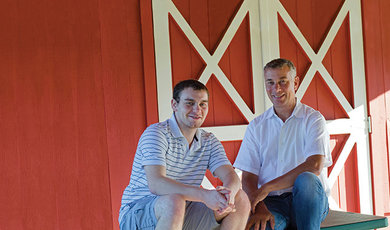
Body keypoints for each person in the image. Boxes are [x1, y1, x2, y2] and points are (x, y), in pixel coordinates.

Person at [119, 79, 250, 230]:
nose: (197, 110)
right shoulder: (156, 133)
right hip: (139, 213)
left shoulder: (208, 141)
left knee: (241, 199)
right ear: (174, 105)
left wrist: (228, 196)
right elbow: (156, 184)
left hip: (181, 210)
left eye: (202, 104)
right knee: (174, 201)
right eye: (190, 103)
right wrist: (204, 195)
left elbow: (231, 176)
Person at [233, 58, 332, 230]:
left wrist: (266, 187)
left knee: (307, 179)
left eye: (282, 82)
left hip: (308, 201)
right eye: (270, 82)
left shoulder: (313, 119)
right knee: (260, 227)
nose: (276, 89)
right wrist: (260, 207)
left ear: (295, 83)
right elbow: (248, 177)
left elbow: (314, 166)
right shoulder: (257, 126)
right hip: (272, 204)